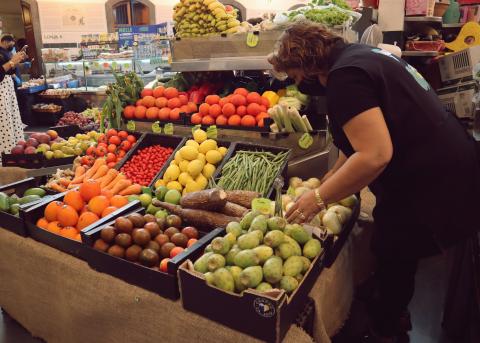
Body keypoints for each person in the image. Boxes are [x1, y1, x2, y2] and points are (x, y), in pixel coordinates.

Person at [269, 22, 480, 342]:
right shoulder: (361, 56)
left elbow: (375, 154)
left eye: (295, 74)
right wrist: (331, 179)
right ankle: (389, 308)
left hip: (434, 178)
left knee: (396, 248)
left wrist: (319, 199)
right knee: (392, 242)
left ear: (308, 62)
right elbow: (357, 142)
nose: (298, 83)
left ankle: (387, 328)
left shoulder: (345, 79)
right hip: (448, 160)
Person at [0, 34, 27, 161]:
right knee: (4, 123)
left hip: (6, 89)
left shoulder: (3, 51)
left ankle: (14, 154)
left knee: (10, 122)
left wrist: (15, 61)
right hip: (2, 91)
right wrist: (11, 62)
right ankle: (5, 157)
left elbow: (9, 71)